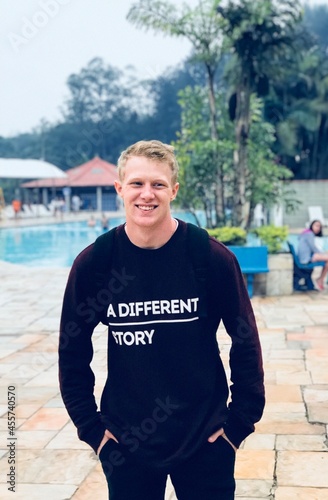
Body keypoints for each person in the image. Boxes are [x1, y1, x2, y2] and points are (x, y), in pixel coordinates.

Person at [58, 140, 265, 500]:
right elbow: (71, 352)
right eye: (137, 184)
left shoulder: (209, 257)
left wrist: (238, 425)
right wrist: (93, 431)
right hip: (127, 444)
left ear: (174, 191)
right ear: (120, 188)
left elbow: (245, 341)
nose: (146, 195)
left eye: (158, 185)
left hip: (205, 439)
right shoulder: (97, 264)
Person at [297, 219, 328, 291]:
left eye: (319, 227)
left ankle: (320, 279)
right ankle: (320, 279)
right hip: (306, 258)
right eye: (316, 226)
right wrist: (323, 254)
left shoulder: (306, 233)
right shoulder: (309, 234)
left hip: (304, 256)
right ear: (312, 225)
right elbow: (313, 248)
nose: (318, 228)